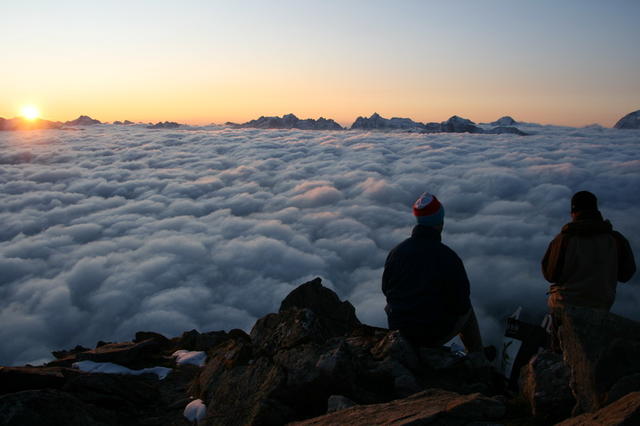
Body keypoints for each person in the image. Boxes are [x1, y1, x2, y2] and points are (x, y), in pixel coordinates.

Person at [382, 192, 484, 353]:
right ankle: (478, 358)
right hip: (430, 334)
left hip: (400, 331)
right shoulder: (448, 258)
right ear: (440, 222)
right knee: (468, 313)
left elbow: (386, 289)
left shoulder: (396, 252)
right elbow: (461, 304)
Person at [542, 190, 636, 311]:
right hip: (602, 305)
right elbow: (626, 275)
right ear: (596, 210)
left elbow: (550, 275)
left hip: (565, 303)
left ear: (574, 212)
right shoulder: (616, 239)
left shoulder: (563, 240)